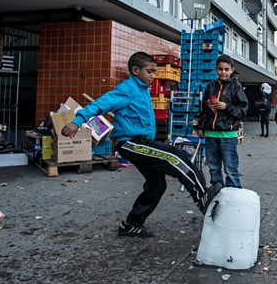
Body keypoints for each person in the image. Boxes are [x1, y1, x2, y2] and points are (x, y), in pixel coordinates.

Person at [61, 52, 222, 238]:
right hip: (131, 142)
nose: (153, 76)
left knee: (157, 185)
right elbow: (100, 104)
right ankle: (201, 196)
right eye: (150, 71)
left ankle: (130, 224)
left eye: (154, 72)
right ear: (135, 70)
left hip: (142, 141)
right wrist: (76, 121)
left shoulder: (142, 89)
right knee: (175, 155)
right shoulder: (127, 89)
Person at [197, 54, 248, 188]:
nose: (223, 72)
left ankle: (234, 196)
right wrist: (200, 127)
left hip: (228, 135)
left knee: (231, 169)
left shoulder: (236, 87)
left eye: (226, 69)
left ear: (232, 70)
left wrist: (226, 106)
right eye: (220, 69)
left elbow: (243, 109)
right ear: (216, 69)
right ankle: (217, 194)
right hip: (210, 135)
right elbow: (203, 109)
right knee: (214, 169)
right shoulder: (210, 86)